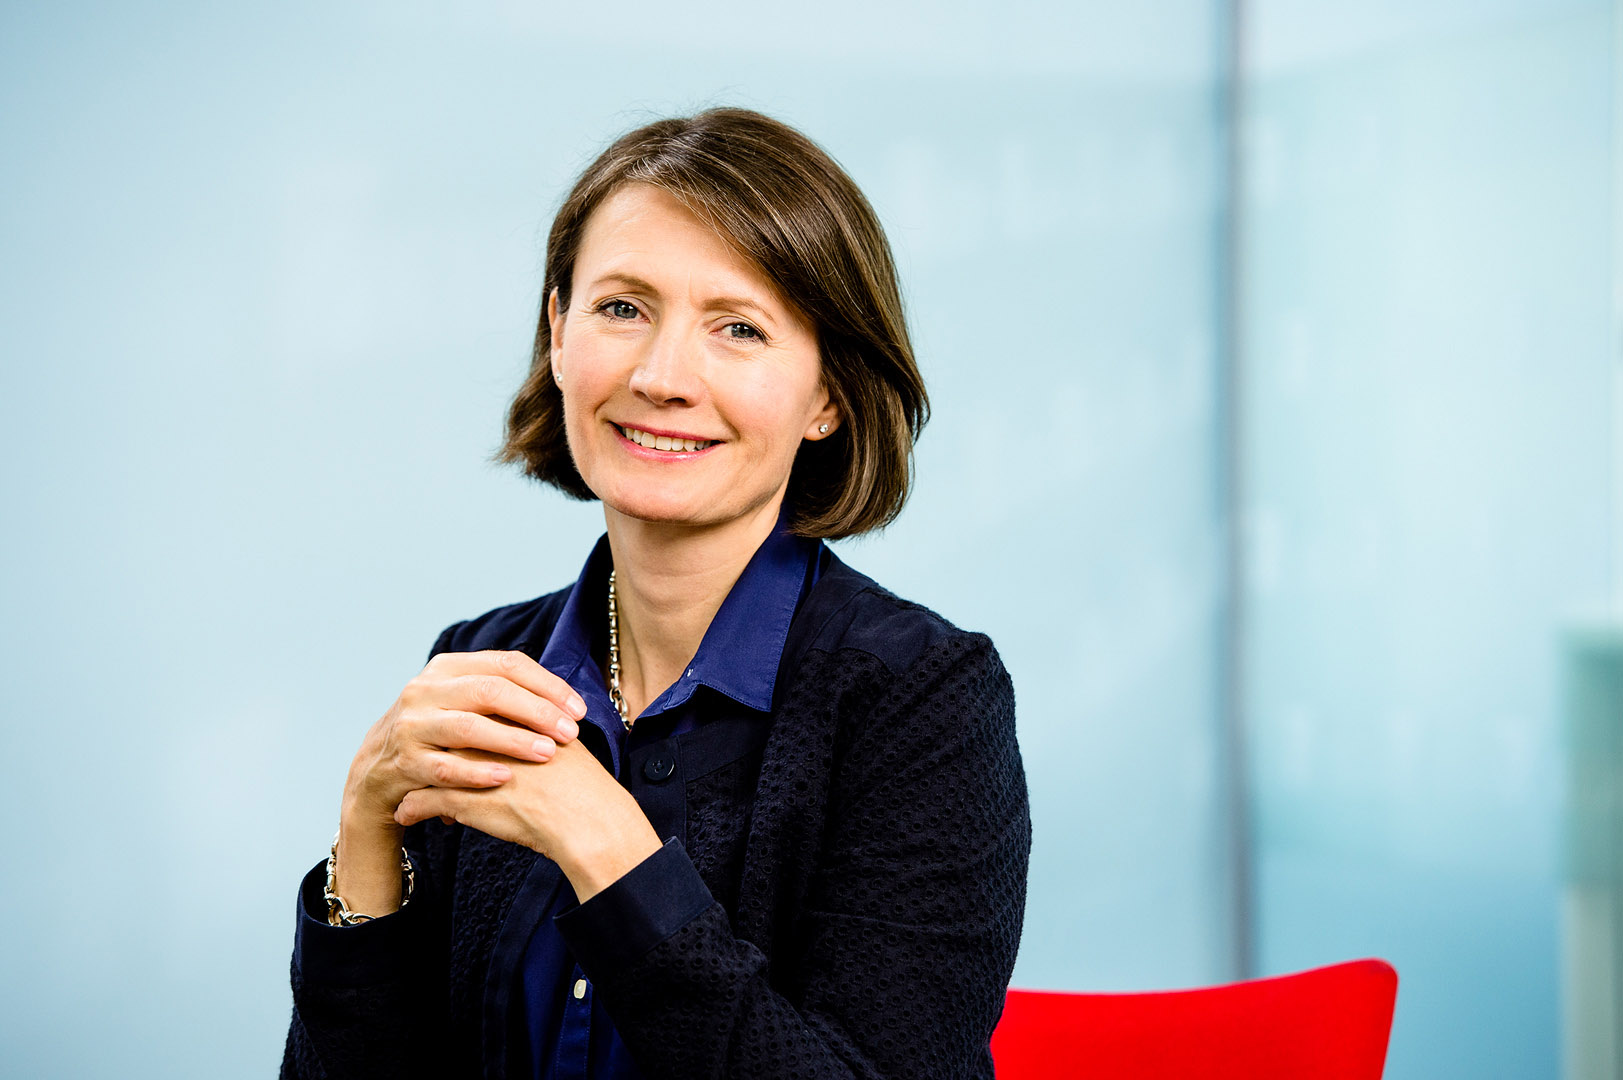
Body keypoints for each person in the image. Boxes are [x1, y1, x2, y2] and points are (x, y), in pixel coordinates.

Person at [280, 107, 1031, 1080]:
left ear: (828, 396)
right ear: (559, 333)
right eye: (623, 309)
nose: (662, 376)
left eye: (738, 327)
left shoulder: (924, 701)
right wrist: (364, 835)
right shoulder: (480, 662)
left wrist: (604, 846)